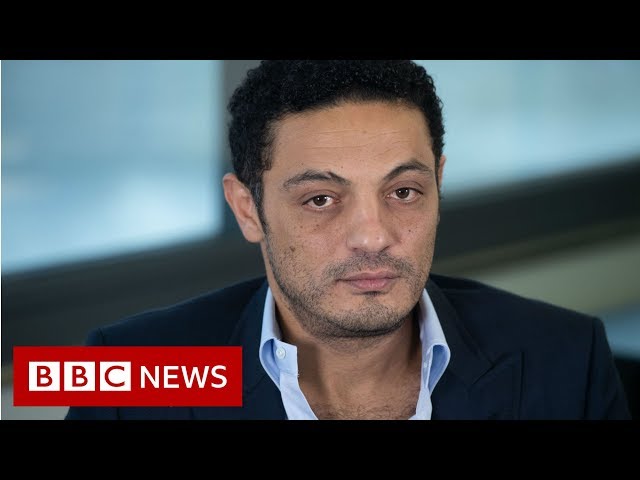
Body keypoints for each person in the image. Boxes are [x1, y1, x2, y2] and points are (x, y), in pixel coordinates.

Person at [65, 60, 631, 420]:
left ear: (438, 186)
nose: (373, 236)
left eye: (404, 192)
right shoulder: (127, 374)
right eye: (320, 199)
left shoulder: (567, 357)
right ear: (248, 209)